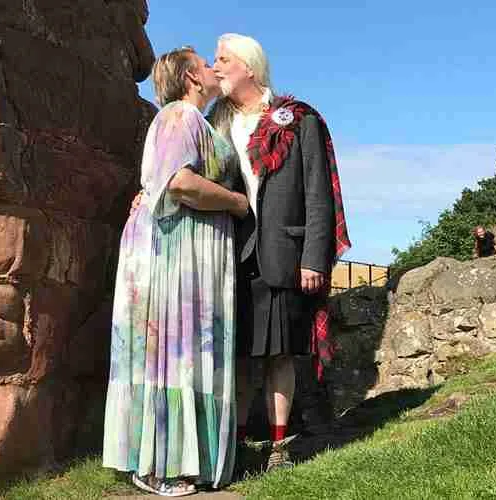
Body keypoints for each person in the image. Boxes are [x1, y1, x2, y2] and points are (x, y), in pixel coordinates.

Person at [102, 46, 249, 496]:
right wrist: (238, 203)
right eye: (206, 64)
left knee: (183, 349)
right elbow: (179, 183)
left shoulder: (194, 121)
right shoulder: (177, 117)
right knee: (174, 350)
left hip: (188, 250)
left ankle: (184, 458)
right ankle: (160, 464)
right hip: (172, 251)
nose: (212, 68)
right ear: (190, 78)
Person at [209, 33, 351, 472]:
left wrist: (314, 257)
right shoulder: (213, 121)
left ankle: (277, 448)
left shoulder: (297, 118)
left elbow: (318, 193)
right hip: (227, 254)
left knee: (278, 355)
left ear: (249, 67)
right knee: (235, 356)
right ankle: (229, 449)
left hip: (284, 254)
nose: (215, 68)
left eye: (222, 60)